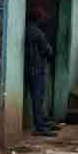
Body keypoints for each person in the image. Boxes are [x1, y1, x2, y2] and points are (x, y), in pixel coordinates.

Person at [25, 8, 56, 137]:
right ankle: (41, 127)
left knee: (38, 97)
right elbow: (47, 50)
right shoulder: (37, 32)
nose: (45, 20)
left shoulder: (27, 29)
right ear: (38, 19)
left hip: (29, 67)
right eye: (43, 17)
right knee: (38, 98)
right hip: (37, 68)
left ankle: (43, 123)